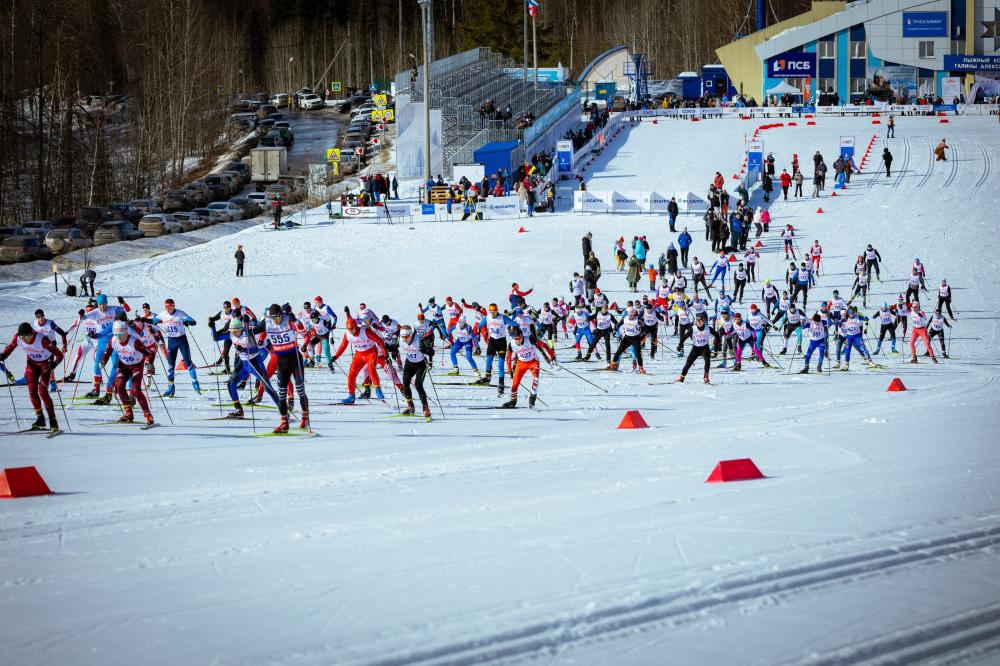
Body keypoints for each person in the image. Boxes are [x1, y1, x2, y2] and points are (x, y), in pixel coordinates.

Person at [0, 322, 64, 433]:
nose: (24, 340)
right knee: (32, 391)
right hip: (32, 365)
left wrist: (54, 364)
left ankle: (53, 422)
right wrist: (4, 355)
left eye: (27, 337)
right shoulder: (18, 338)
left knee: (43, 392)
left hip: (45, 365)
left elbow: (59, 355)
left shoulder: (42, 339)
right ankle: (40, 419)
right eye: (22, 337)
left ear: (32, 333)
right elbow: (10, 347)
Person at [139, 299, 200, 399]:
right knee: (170, 365)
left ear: (174, 306)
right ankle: (171, 387)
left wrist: (187, 321)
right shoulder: (163, 314)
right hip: (171, 341)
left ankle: (195, 383)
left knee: (188, 363)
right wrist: (145, 320)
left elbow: (193, 321)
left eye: (170, 307)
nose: (168, 309)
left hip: (181, 340)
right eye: (166, 307)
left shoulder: (180, 313)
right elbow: (153, 321)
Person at [101, 320, 156, 425]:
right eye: (116, 334)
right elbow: (107, 352)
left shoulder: (134, 342)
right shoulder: (113, 340)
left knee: (136, 390)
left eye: (121, 334)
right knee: (119, 387)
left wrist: (149, 362)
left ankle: (148, 414)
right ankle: (128, 413)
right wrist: (103, 361)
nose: (119, 337)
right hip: (123, 365)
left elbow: (150, 353)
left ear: (126, 332)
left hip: (136, 365)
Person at [502, 328, 554, 408]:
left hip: (533, 362)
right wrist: (510, 371)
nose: (517, 341)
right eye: (515, 339)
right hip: (521, 363)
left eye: (519, 338)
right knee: (515, 383)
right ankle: (513, 401)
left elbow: (544, 345)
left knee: (536, 378)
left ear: (522, 336)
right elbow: (508, 358)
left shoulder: (530, 340)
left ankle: (532, 398)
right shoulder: (511, 344)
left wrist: (552, 356)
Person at [675, 312, 712, 383]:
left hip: (705, 348)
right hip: (695, 349)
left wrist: (718, 344)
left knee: (707, 362)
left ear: (703, 321)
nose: (698, 322)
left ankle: (706, 377)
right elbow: (684, 337)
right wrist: (680, 344)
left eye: (700, 321)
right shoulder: (693, 328)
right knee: (688, 364)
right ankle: (681, 378)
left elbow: (716, 334)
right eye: (697, 321)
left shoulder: (708, 328)